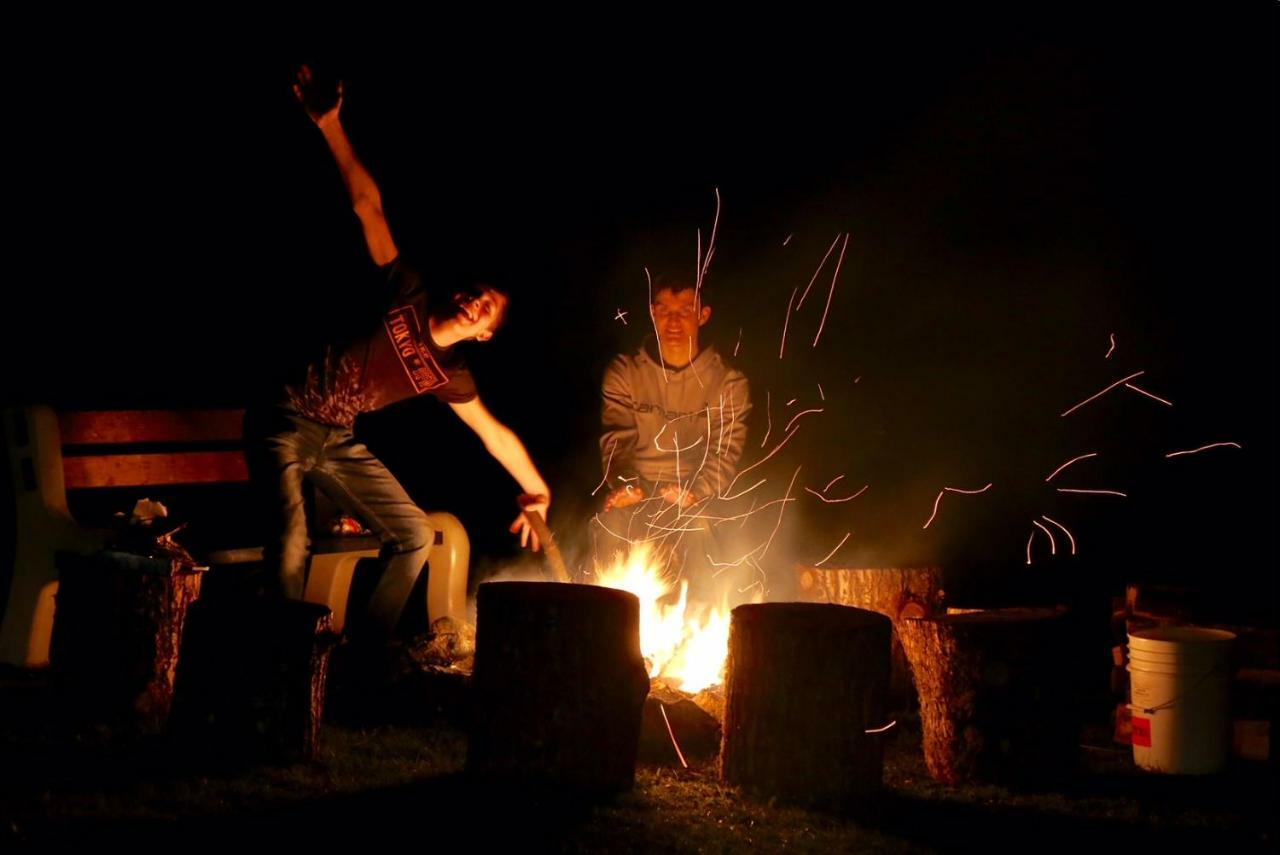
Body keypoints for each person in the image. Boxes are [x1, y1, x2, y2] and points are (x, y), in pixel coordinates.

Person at [246, 66, 550, 641]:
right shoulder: (405, 289)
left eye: (486, 310)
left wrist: (539, 489)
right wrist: (331, 126)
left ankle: (363, 666)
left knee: (414, 535)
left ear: (485, 334)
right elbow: (368, 206)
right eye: (475, 293)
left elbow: (493, 433)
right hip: (285, 419)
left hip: (336, 440)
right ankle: (283, 668)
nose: (474, 304)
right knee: (291, 541)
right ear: (459, 291)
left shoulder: (449, 374)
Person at [594, 273, 752, 603]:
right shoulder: (625, 372)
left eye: (685, 310)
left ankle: (695, 627)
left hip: (695, 498)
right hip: (638, 492)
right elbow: (616, 440)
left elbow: (724, 452)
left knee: (700, 530)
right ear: (652, 313)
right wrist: (626, 484)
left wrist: (695, 492)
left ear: (703, 315)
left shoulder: (727, 383)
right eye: (664, 309)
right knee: (605, 526)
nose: (674, 321)